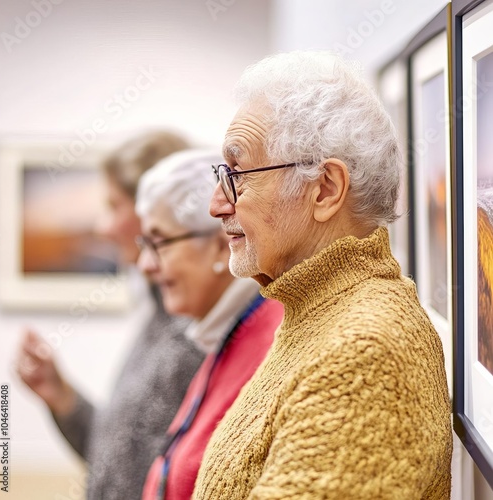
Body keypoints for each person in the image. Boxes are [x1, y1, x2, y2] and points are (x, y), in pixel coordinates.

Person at [193, 51, 453, 499]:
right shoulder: (316, 314)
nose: (217, 204)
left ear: (326, 189)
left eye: (237, 174)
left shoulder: (367, 352)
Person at [17, 131, 205, 500]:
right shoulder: (159, 316)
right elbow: (117, 461)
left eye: (113, 206)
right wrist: (62, 396)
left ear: (153, 209)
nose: (102, 227)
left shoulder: (199, 331)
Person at [135, 149, 283, 500]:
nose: (144, 264)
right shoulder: (223, 331)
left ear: (219, 247)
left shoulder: (269, 339)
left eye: (158, 243)